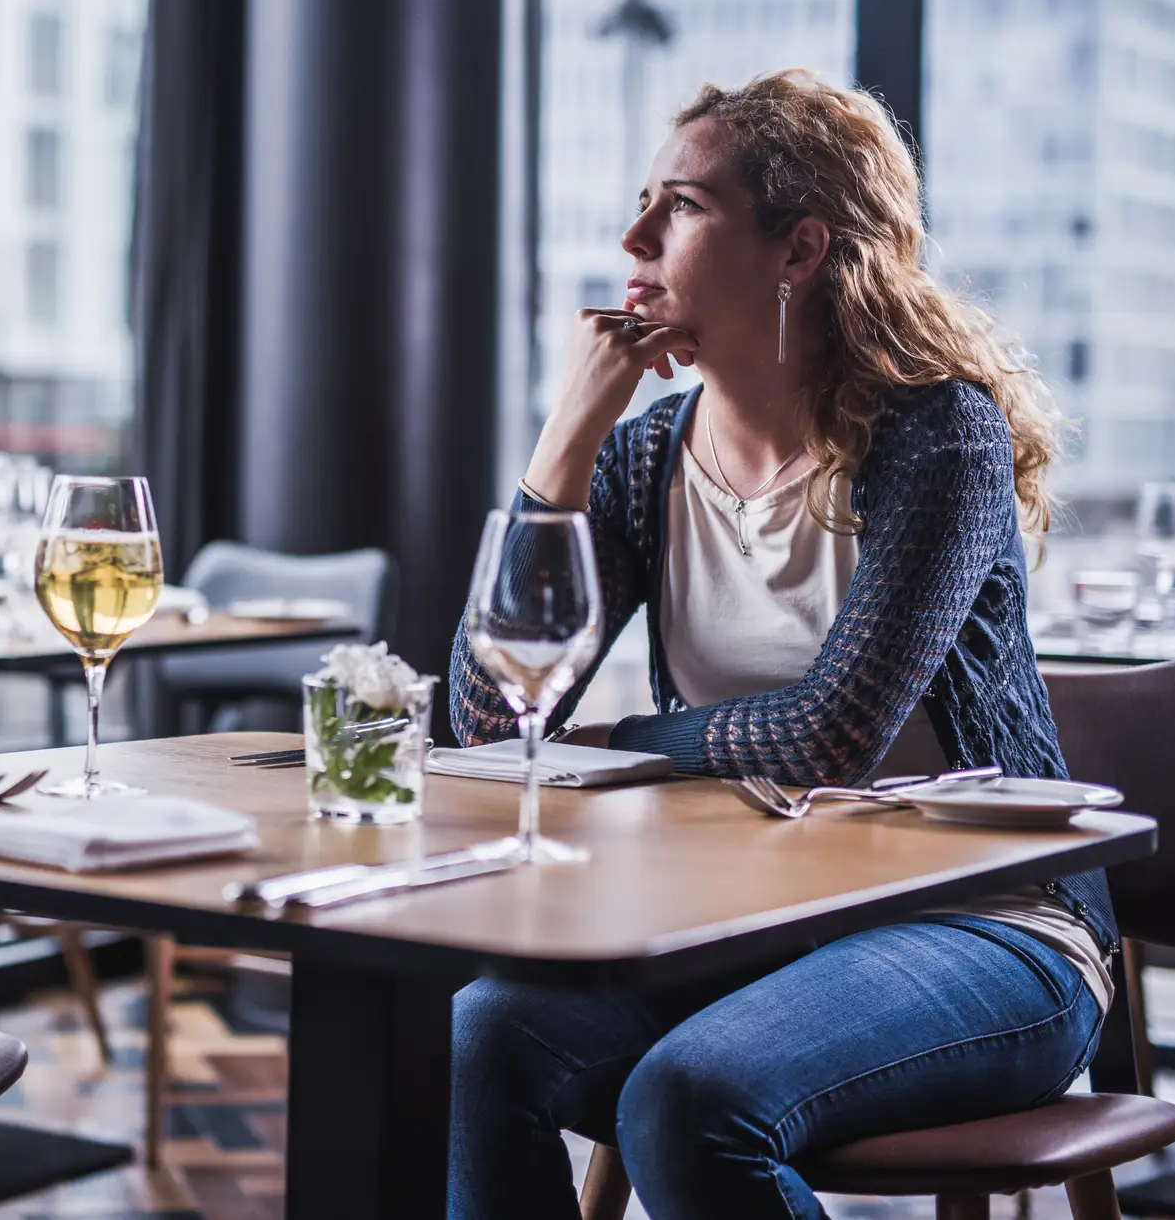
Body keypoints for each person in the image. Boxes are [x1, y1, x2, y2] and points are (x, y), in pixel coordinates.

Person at [446, 69, 1116, 1220]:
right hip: (745, 915)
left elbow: (828, 736)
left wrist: (629, 743)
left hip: (986, 923)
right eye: (643, 203)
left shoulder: (937, 434)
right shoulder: (644, 453)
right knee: (478, 1032)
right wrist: (562, 443)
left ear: (798, 249)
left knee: (689, 1097)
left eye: (682, 206)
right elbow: (487, 720)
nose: (633, 234)